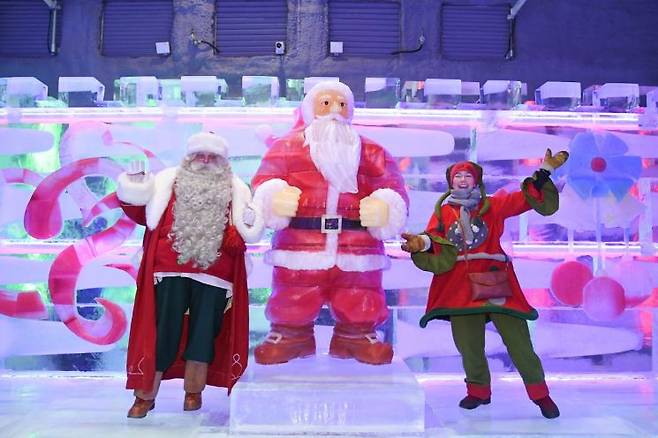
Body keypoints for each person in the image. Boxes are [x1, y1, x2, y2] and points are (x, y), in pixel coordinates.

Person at [400, 149, 568, 419]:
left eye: (467, 176)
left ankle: (540, 395)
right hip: (459, 286)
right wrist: (420, 243)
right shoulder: (443, 212)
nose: (462, 180)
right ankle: (478, 391)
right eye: (458, 176)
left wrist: (545, 171)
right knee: (468, 345)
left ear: (476, 181)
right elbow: (433, 238)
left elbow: (524, 199)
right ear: (451, 182)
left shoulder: (494, 205)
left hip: (494, 280)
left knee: (519, 342)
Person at [251, 81, 409, 365]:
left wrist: (386, 206)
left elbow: (393, 186)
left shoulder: (371, 151)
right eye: (326, 103)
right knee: (294, 293)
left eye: (342, 104)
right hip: (300, 244)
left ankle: (357, 336)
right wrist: (273, 197)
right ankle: (290, 335)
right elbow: (264, 180)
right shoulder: (286, 147)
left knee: (360, 294)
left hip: (357, 246)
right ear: (311, 109)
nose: (335, 110)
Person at [116, 132, 263, 418]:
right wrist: (135, 185)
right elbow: (139, 214)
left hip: (216, 274)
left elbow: (248, 230)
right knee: (162, 331)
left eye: (212, 157)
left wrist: (251, 220)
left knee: (204, 334)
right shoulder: (166, 181)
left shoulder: (236, 188)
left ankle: (194, 391)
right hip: (168, 269)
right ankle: (145, 395)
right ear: (188, 157)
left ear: (223, 161)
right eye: (199, 155)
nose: (205, 161)